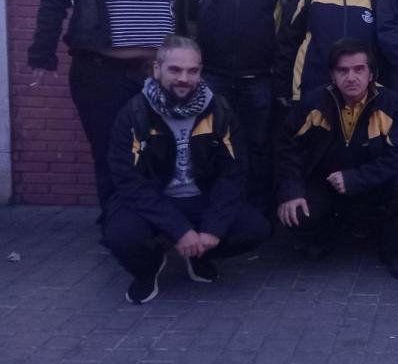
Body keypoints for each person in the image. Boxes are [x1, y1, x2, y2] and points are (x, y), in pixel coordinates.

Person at [28, 0, 189, 206]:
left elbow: (184, 12)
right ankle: (120, 230)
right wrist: (42, 53)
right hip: (102, 75)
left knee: (159, 152)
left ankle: (154, 226)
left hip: (156, 77)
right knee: (112, 154)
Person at [101, 35, 271, 304]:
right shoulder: (134, 113)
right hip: (153, 199)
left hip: (199, 199)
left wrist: (213, 228)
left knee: (254, 228)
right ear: (156, 69)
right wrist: (179, 229)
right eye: (175, 70)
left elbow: (234, 173)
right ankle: (148, 269)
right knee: (122, 235)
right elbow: (128, 181)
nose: (184, 78)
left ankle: (199, 255)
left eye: (192, 71)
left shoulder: (220, 110)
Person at [186, 0, 307, 213]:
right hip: (212, 78)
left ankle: (255, 215)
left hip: (260, 81)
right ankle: (213, 211)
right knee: (210, 145)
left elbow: (310, 3)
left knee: (258, 148)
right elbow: (178, 5)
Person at [275, 39, 398, 280]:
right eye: (343, 70)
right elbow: (286, 146)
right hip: (326, 183)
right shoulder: (315, 102)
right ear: (332, 74)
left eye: (359, 69)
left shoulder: (390, 104)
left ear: (371, 73)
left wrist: (356, 179)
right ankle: (326, 236)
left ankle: (395, 252)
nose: (351, 77)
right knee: (297, 214)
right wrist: (291, 191)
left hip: (374, 183)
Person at [275, 0, 377, 104]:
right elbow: (287, 44)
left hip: (359, 95)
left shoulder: (374, 0)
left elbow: (380, 50)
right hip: (311, 90)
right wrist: (282, 88)